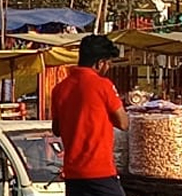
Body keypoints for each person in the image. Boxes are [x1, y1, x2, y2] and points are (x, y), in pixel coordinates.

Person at [52, 34, 129, 196]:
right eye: (108, 63)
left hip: (73, 175)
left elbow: (57, 129)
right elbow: (124, 123)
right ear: (100, 63)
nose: (107, 68)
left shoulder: (59, 89)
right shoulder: (103, 85)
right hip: (100, 172)